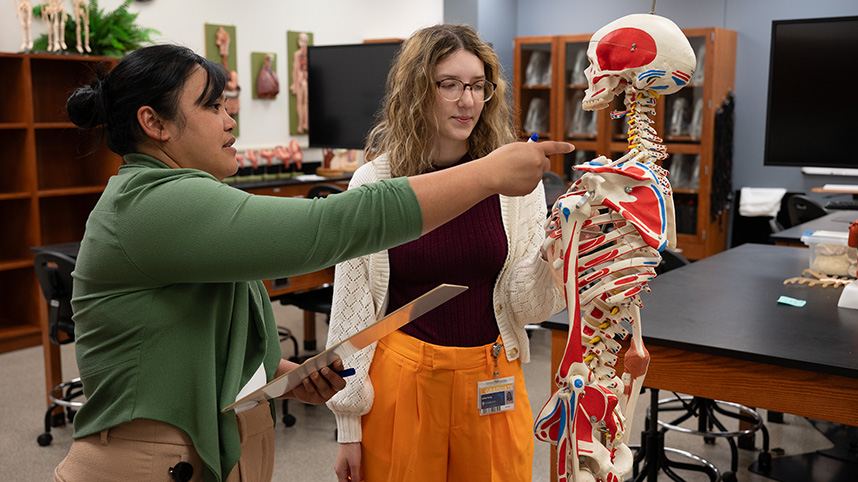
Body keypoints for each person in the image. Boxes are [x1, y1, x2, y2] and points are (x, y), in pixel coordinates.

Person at [53, 44, 571, 482]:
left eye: (478, 85)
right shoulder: (154, 204)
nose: (231, 120)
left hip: (196, 446)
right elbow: (331, 228)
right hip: (151, 459)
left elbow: (192, 332)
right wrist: (487, 175)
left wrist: (276, 372)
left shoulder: (174, 197)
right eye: (213, 107)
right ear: (154, 123)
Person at [326, 24, 569, 482]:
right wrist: (348, 427)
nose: (469, 101)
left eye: (478, 86)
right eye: (450, 85)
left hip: (493, 374)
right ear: (418, 90)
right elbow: (352, 316)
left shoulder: (514, 182)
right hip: (404, 380)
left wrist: (555, 258)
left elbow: (530, 305)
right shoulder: (376, 184)